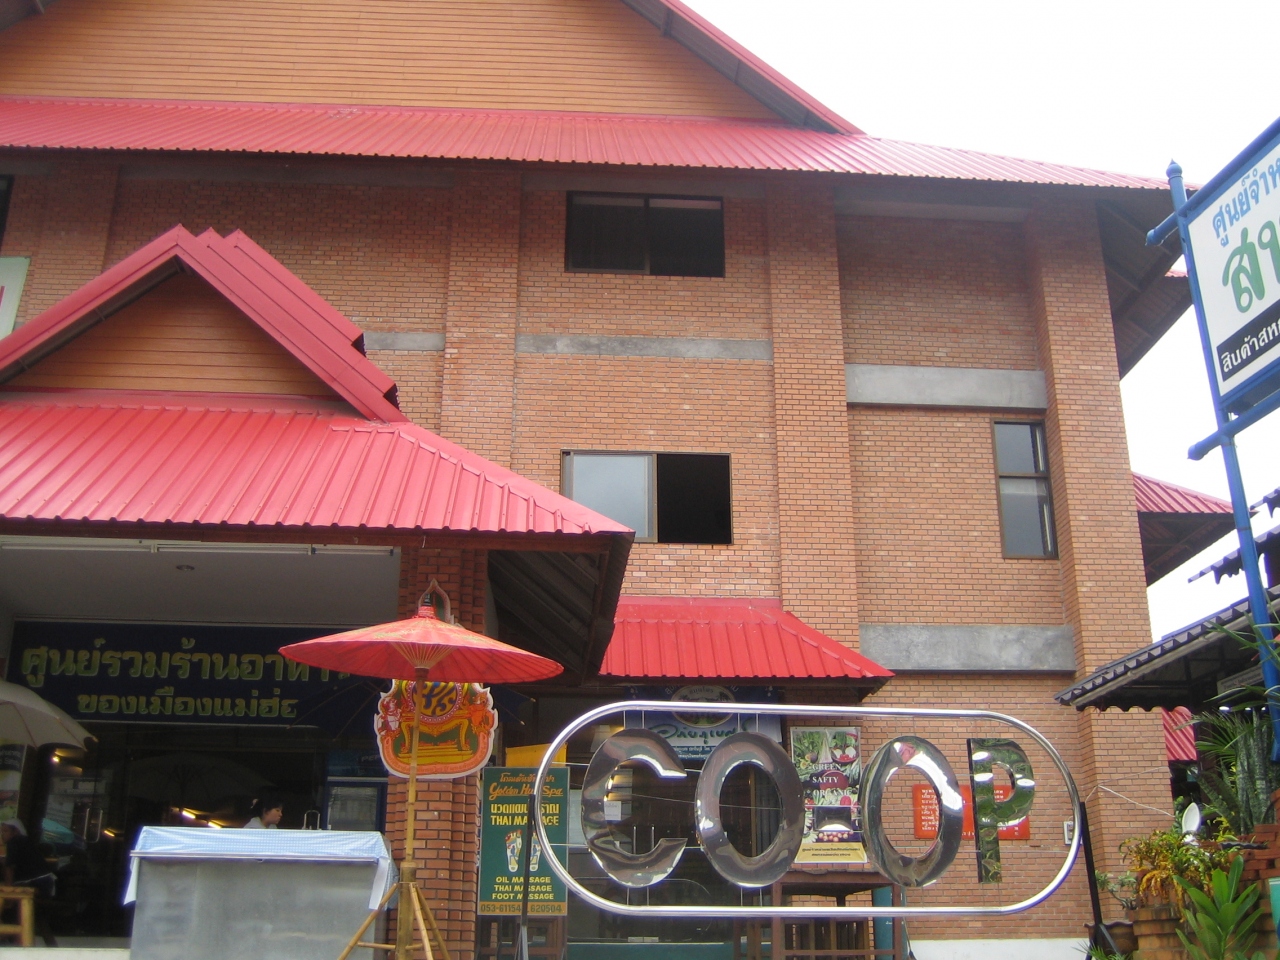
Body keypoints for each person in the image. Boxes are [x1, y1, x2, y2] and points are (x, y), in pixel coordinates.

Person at [0, 819, 54, 896]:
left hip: (35, 883)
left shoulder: (14, 842)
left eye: (5, 831)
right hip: (46, 881)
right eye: (1, 831)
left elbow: (10, 867)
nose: (2, 834)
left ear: (16, 831)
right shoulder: (25, 841)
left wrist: (7, 892)